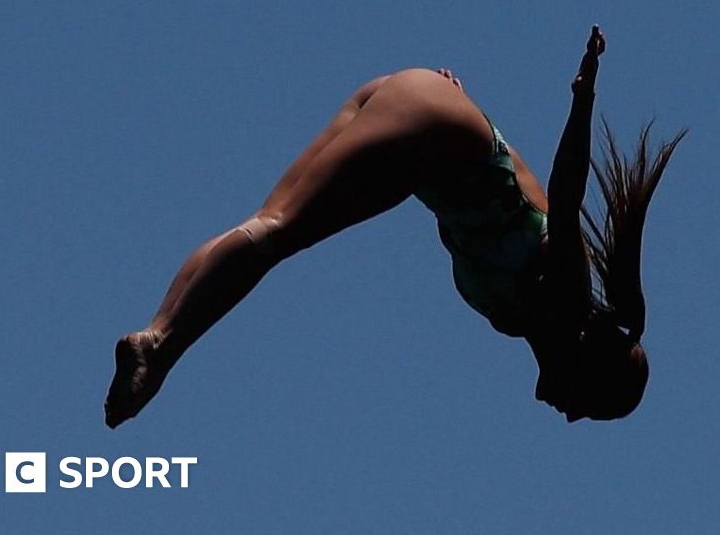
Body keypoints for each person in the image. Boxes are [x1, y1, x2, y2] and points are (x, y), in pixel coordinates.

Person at [104, 26, 685, 429]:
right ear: (588, 369)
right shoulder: (566, 297)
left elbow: (493, 199)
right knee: (278, 232)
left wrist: (451, 108)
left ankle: (158, 336)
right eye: (588, 405)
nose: (571, 414)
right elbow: (564, 190)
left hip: (426, 113)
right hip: (434, 131)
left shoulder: (522, 320)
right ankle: (157, 347)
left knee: (267, 226)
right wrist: (582, 98)